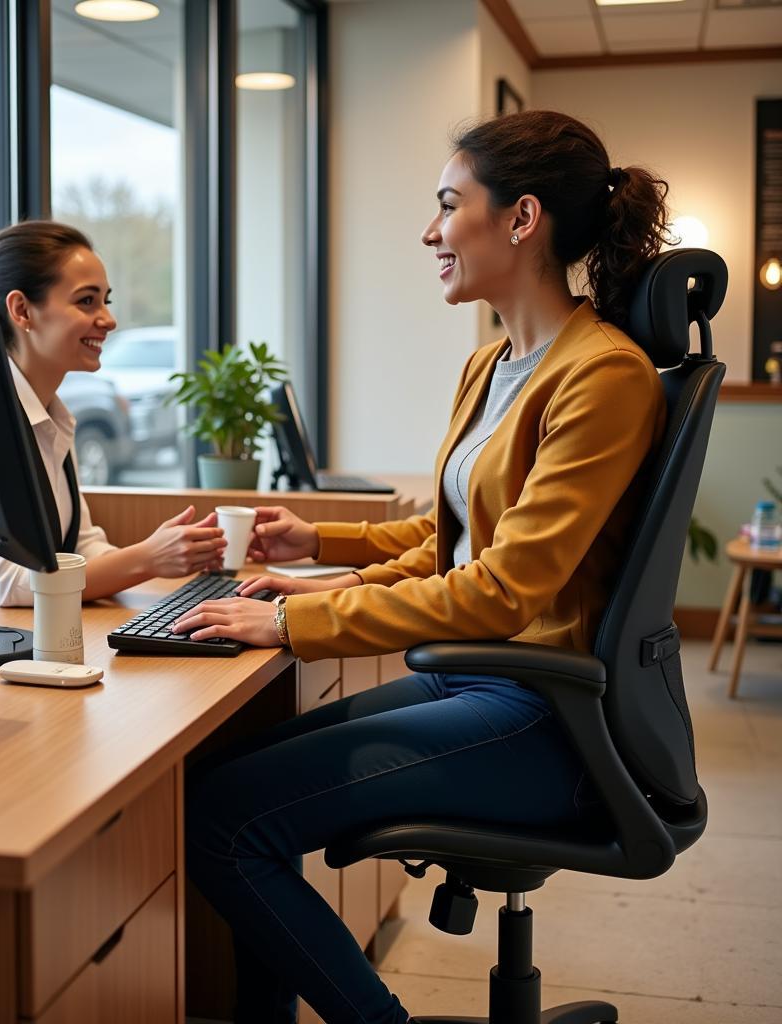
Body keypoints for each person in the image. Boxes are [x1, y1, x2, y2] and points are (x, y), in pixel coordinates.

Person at [176, 110, 672, 1023]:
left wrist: (295, 623)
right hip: (480, 684)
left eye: (449, 205)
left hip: (548, 717)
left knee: (225, 821)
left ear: (521, 219)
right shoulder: (493, 364)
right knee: (216, 782)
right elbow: (456, 540)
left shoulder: (605, 376)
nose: (430, 231)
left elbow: (506, 587)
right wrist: (320, 551)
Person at [0, 220, 226, 608]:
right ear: (22, 310)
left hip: (39, 624)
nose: (108, 320)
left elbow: (82, 543)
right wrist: (145, 559)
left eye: (106, 300)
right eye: (86, 301)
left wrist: (166, 555)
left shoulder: (52, 416)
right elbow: (5, 584)